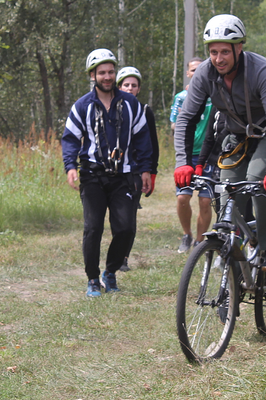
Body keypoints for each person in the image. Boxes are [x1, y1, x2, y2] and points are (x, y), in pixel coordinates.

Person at [173, 14, 266, 272]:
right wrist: (183, 163)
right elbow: (186, 119)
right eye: (213, 52)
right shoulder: (204, 73)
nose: (218, 58)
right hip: (236, 137)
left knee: (258, 180)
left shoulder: (262, 70)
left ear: (239, 48)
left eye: (225, 51)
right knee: (228, 189)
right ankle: (234, 244)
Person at [62, 49, 153, 297]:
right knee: (93, 228)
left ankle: (110, 271)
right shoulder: (82, 106)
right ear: (93, 75)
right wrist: (70, 166)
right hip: (92, 175)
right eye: (101, 72)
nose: (107, 76)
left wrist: (145, 169)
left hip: (124, 175)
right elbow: (70, 138)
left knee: (125, 228)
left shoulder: (131, 103)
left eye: (111, 71)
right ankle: (92, 279)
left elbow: (143, 137)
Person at [116, 66, 160, 272]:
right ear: (119, 87)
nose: (130, 88)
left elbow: (153, 144)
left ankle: (123, 257)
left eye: (134, 85)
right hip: (113, 169)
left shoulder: (144, 111)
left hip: (136, 170)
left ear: (139, 89)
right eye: (126, 85)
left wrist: (151, 173)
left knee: (128, 216)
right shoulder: (108, 108)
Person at [170, 57, 215, 253]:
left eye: (200, 70)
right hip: (189, 155)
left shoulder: (216, 95)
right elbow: (174, 125)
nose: (197, 73)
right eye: (193, 70)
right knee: (183, 198)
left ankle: (199, 242)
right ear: (188, 74)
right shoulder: (181, 97)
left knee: (205, 200)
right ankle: (186, 235)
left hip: (210, 156)